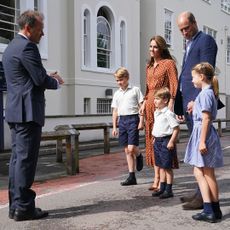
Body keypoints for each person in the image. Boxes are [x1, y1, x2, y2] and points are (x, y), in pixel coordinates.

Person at [2, 10, 64, 221]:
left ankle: (16, 206)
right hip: (27, 112)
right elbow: (38, 79)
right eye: (40, 29)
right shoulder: (28, 46)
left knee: (17, 161)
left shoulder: (12, 46)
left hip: (14, 111)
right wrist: (55, 82)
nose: (43, 34)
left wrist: (46, 74)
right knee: (26, 162)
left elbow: (27, 75)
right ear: (28, 28)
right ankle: (24, 208)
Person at [174, 11, 218, 210]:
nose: (184, 32)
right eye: (181, 30)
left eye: (187, 28)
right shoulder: (189, 43)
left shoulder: (206, 40)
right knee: (196, 154)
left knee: (201, 152)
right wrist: (179, 102)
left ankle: (204, 199)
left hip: (197, 105)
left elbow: (205, 71)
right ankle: (200, 193)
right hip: (189, 103)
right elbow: (186, 74)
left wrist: (195, 101)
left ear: (194, 23)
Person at [184, 62, 223, 223]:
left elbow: (206, 118)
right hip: (204, 133)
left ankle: (208, 209)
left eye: (193, 77)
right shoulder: (207, 93)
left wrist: (201, 142)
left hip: (203, 134)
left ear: (201, 77)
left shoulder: (205, 94)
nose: (192, 81)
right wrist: (195, 105)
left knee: (199, 172)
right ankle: (215, 209)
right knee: (208, 173)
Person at [139, 35, 178, 191]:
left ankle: (164, 182)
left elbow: (174, 85)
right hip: (149, 106)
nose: (152, 50)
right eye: (150, 47)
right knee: (152, 143)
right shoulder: (148, 66)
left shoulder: (168, 64)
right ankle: (156, 179)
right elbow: (148, 90)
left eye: (155, 47)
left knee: (163, 141)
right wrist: (142, 105)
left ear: (161, 48)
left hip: (162, 107)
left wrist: (171, 105)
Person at [111, 67, 144, 186]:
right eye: (117, 80)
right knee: (127, 151)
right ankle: (132, 176)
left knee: (131, 148)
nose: (119, 82)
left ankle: (139, 155)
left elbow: (142, 107)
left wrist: (141, 121)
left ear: (127, 78)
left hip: (133, 119)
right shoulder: (117, 94)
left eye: (121, 79)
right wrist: (115, 127)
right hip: (122, 121)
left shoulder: (135, 90)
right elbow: (115, 111)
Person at [151, 87, 180, 199]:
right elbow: (158, 127)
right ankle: (162, 188)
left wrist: (171, 141)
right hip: (157, 141)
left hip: (166, 141)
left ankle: (169, 190)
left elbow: (176, 128)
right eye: (155, 99)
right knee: (160, 166)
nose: (155, 101)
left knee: (167, 167)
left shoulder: (168, 113)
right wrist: (154, 137)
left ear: (165, 100)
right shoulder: (156, 112)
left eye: (157, 99)